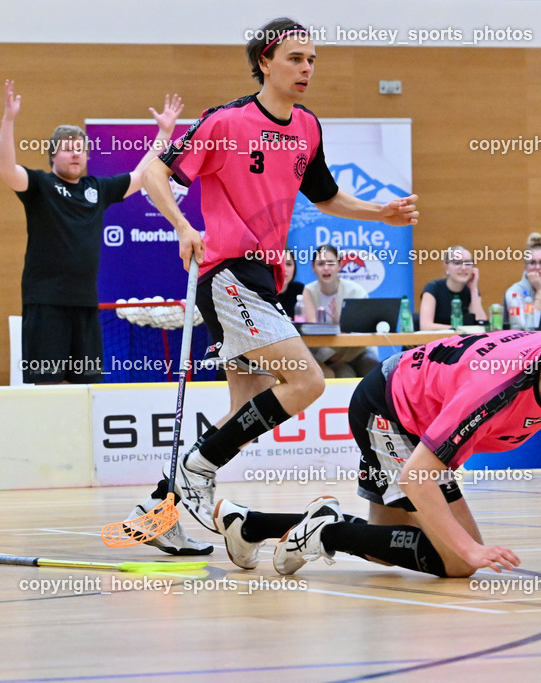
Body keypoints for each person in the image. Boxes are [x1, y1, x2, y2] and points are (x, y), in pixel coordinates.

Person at [124, 18, 418, 555]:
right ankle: (194, 470)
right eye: (295, 58)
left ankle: (164, 507)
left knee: (250, 408)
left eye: (311, 60)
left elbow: (326, 196)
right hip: (227, 275)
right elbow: (153, 174)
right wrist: (185, 228)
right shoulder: (226, 122)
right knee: (306, 381)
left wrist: (381, 212)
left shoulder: (307, 127)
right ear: (264, 61)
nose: (306, 68)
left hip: (266, 279)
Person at [209, 310, 541, 577]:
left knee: (384, 550)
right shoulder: (496, 389)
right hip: (389, 410)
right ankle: (327, 531)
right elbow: (417, 475)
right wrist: (469, 549)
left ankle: (249, 524)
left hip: (417, 422)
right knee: (458, 561)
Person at [0, 81, 183, 384]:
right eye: (67, 149)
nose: (75, 154)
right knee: (48, 384)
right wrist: (9, 120)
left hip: (84, 303)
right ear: (52, 155)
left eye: (80, 149)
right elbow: (6, 169)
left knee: (86, 386)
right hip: (45, 303)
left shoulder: (96, 189)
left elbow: (141, 175)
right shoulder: (40, 186)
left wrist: (164, 134)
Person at [302, 244, 379, 378]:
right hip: (325, 356)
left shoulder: (356, 291)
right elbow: (308, 333)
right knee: (345, 374)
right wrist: (330, 354)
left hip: (357, 351)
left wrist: (342, 323)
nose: (326, 268)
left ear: (340, 265)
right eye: (320, 264)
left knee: (375, 369)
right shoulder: (307, 292)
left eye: (331, 263)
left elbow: (366, 328)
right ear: (313, 267)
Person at [419, 246, 486, 330]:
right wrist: (459, 330)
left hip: (464, 341)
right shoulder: (433, 289)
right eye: (457, 263)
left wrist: (474, 290)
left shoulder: (472, 291)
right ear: (446, 267)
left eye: (468, 263)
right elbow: (425, 326)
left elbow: (481, 326)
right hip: (438, 341)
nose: (464, 268)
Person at [275, 248, 305, 316]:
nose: (284, 269)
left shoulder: (300, 290)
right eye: (279, 264)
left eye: (288, 264)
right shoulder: (264, 291)